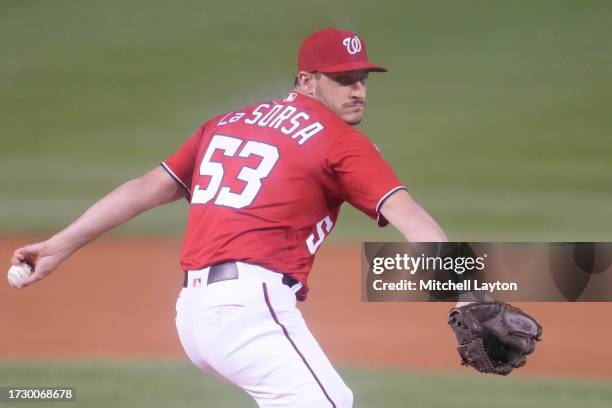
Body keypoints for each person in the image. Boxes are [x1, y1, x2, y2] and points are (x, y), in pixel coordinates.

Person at [11, 28, 447, 407]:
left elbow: (145, 189)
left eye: (362, 79)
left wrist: (58, 245)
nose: (358, 91)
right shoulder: (341, 142)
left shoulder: (225, 123)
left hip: (195, 316)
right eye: (343, 79)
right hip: (248, 309)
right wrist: (469, 295)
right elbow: (411, 217)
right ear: (307, 81)